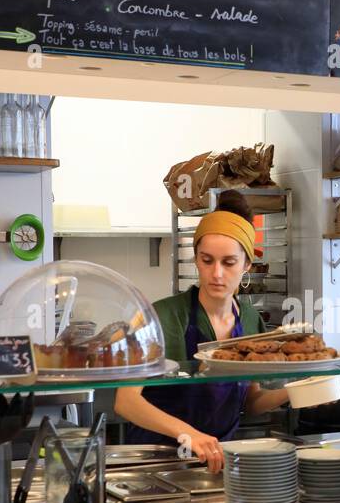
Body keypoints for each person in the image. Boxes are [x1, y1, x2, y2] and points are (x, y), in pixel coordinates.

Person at [115, 190, 287, 471]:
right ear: (196, 260)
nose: (216, 273)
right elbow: (126, 401)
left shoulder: (252, 321)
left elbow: (251, 402)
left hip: (217, 461)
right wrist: (188, 434)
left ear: (247, 265)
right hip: (158, 460)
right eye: (207, 261)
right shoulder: (162, 317)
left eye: (228, 263)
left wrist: (297, 391)